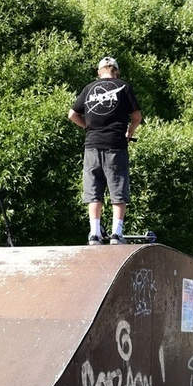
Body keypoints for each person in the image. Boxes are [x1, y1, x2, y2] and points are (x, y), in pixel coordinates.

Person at [68, 56, 142, 245]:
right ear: (116, 71)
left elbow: (72, 114)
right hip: (115, 145)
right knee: (118, 188)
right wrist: (129, 132)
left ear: (99, 72)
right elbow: (137, 115)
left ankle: (94, 234)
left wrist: (87, 127)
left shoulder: (88, 88)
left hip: (92, 145)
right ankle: (116, 234)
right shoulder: (123, 87)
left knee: (94, 190)